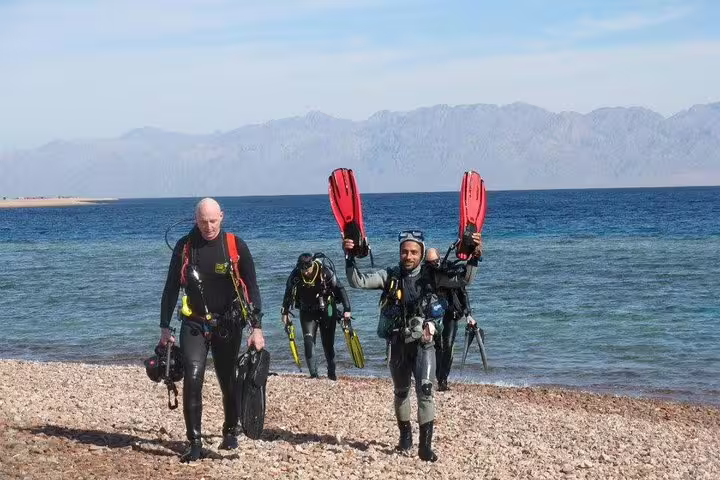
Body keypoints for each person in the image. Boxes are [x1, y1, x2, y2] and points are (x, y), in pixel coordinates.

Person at [343, 230, 482, 462]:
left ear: (421, 253)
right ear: (400, 253)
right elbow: (358, 281)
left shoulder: (434, 275)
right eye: (405, 252)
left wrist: (475, 256)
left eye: (414, 252)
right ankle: (405, 435)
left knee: (426, 391)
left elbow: (464, 279)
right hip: (397, 344)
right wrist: (349, 257)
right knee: (401, 392)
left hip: (424, 344)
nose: (409, 256)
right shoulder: (390, 275)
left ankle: (425, 447)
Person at [159, 198, 265, 463]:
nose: (208, 227)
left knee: (227, 379)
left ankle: (230, 429)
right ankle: (194, 442)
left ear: (222, 217)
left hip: (228, 324)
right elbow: (171, 287)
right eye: (203, 221)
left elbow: (252, 287)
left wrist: (257, 329)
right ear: (196, 219)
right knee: (193, 379)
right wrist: (164, 328)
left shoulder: (235, 245)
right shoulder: (185, 247)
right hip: (193, 323)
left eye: (213, 221)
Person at [281, 253, 352, 380]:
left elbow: (340, 289)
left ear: (312, 265)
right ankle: (314, 376)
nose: (305, 273)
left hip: (327, 311)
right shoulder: (296, 274)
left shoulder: (325, 271)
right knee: (308, 342)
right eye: (302, 270)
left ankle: (331, 374)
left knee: (328, 344)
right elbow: (288, 292)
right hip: (307, 312)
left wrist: (347, 309)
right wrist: (285, 312)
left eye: (307, 269)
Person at [425, 248, 481, 391]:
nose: (434, 264)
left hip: (451, 313)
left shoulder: (449, 270)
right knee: (436, 345)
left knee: (448, 345)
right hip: (433, 314)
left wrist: (468, 314)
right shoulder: (425, 274)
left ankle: (443, 379)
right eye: (430, 262)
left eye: (436, 261)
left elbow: (463, 290)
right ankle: (435, 375)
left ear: (440, 258)